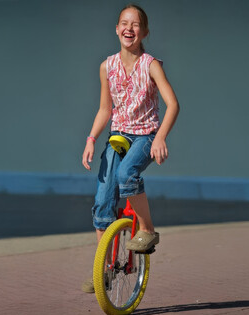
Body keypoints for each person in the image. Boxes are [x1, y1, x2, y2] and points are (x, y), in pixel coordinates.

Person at [81, 4, 179, 293]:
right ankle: (105, 270)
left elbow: (173, 104)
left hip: (145, 136)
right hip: (118, 136)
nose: (129, 28)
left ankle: (147, 229)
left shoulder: (151, 65)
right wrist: (90, 138)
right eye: (124, 23)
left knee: (127, 175)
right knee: (102, 203)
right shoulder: (106, 66)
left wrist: (160, 137)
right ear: (116, 29)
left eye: (135, 25)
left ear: (144, 32)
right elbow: (104, 109)